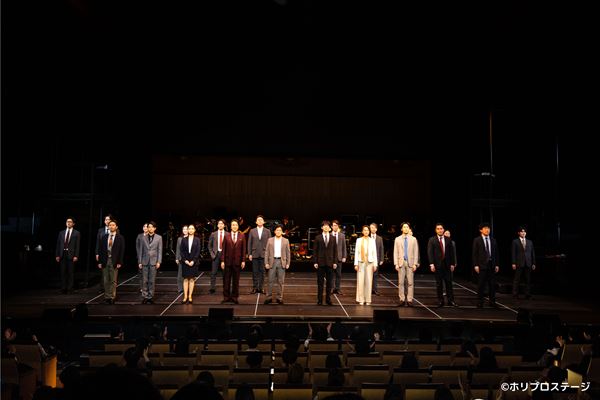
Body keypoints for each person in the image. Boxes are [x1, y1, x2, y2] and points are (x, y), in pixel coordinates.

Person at [427, 223, 458, 307]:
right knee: (439, 284)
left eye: (441, 228)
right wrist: (431, 264)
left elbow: (451, 253)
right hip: (438, 265)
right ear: (435, 230)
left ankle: (451, 301)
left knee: (449, 283)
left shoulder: (448, 239)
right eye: (438, 229)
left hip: (447, 265)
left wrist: (452, 264)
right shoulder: (432, 240)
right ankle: (440, 301)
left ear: (443, 230)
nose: (440, 230)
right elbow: (430, 253)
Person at [472, 222, 499, 308]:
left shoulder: (493, 240)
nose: (487, 230)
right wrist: (476, 265)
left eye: (488, 228)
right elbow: (475, 253)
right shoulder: (477, 240)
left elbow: (496, 253)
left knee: (492, 284)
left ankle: (492, 301)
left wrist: (497, 264)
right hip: (481, 265)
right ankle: (480, 302)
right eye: (485, 228)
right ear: (481, 230)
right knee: (481, 285)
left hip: (491, 264)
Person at [97, 219, 125, 304]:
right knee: (106, 280)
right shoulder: (104, 237)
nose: (111, 226)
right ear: (108, 227)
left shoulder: (120, 237)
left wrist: (120, 262)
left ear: (116, 227)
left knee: (113, 280)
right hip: (105, 260)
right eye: (110, 225)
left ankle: (112, 297)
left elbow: (121, 251)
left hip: (114, 260)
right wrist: (100, 262)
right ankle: (107, 296)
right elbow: (101, 250)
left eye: (113, 225)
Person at [393, 222, 420, 307]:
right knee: (401, 282)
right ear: (401, 229)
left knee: (410, 282)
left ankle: (409, 299)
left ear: (409, 228)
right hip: (401, 262)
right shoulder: (397, 239)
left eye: (407, 227)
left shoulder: (413, 239)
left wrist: (415, 264)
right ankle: (401, 299)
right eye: (404, 227)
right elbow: (395, 252)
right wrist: (396, 263)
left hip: (410, 263)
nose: (406, 228)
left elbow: (416, 252)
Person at [220, 219, 246, 304]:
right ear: (231, 226)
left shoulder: (242, 236)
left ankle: (235, 297)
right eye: (233, 225)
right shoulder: (226, 236)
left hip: (237, 262)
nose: (234, 226)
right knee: (226, 280)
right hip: (227, 261)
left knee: (236, 281)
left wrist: (243, 261)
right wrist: (222, 261)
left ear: (238, 226)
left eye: (236, 225)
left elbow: (243, 249)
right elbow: (223, 249)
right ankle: (226, 297)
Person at [312, 220, 338, 306]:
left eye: (328, 226)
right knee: (320, 283)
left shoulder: (333, 238)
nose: (326, 227)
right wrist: (315, 261)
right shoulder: (318, 238)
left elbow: (335, 251)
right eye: (324, 226)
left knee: (329, 283)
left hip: (330, 263)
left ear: (330, 228)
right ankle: (319, 300)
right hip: (320, 263)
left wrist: (335, 262)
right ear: (322, 227)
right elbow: (315, 251)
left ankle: (328, 299)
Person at [264, 225, 291, 304]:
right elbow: (266, 252)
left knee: (280, 281)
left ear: (282, 232)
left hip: (281, 262)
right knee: (270, 281)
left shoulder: (286, 241)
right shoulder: (270, 240)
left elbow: (288, 253)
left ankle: (279, 298)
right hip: (272, 262)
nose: (278, 231)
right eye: (277, 230)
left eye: (280, 230)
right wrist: (266, 263)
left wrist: (288, 263)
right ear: (274, 231)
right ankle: (268, 297)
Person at [138, 221, 163, 304]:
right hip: (144, 261)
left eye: (152, 227)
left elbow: (160, 250)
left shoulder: (159, 237)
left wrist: (159, 261)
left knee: (152, 280)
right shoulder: (143, 237)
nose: (150, 228)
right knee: (144, 280)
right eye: (149, 227)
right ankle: (145, 296)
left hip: (153, 261)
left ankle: (150, 296)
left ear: (155, 228)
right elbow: (141, 250)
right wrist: (140, 261)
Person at [55, 217, 80, 294]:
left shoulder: (76, 233)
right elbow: (58, 244)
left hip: (71, 254)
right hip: (62, 254)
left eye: (70, 222)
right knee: (63, 272)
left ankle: (70, 288)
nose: (68, 223)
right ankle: (63, 288)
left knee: (70, 272)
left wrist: (76, 255)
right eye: (67, 221)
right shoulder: (61, 233)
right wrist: (57, 255)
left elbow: (77, 245)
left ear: (73, 224)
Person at [354, 225, 378, 305]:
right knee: (360, 281)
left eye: (367, 230)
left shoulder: (372, 240)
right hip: (361, 262)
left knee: (368, 281)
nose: (366, 231)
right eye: (364, 230)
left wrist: (375, 264)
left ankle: (368, 299)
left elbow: (374, 253)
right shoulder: (359, 240)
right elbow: (356, 252)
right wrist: (356, 264)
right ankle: (361, 299)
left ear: (369, 231)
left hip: (370, 263)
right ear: (362, 231)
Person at [247, 215, 271, 294]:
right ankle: (255, 287)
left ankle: (261, 287)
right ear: (256, 222)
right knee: (255, 272)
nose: (260, 221)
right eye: (258, 220)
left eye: (261, 220)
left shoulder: (267, 231)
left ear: (264, 222)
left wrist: (269, 255)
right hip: (254, 254)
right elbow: (249, 243)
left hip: (264, 254)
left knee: (263, 272)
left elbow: (270, 244)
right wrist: (249, 254)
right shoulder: (252, 231)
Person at [511, 226, 536, 299]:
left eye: (524, 231)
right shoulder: (515, 241)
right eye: (522, 232)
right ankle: (515, 294)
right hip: (519, 263)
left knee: (528, 280)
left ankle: (527, 294)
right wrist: (513, 263)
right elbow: (513, 253)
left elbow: (532, 253)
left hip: (528, 263)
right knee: (517, 279)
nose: (523, 233)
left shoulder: (530, 242)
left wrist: (534, 263)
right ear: (518, 233)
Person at [180, 224, 201, 304]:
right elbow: (181, 251)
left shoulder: (197, 240)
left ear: (194, 230)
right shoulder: (184, 239)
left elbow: (198, 251)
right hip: (185, 262)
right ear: (188, 230)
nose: (191, 230)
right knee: (185, 279)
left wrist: (193, 261)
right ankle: (185, 296)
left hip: (193, 262)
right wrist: (185, 260)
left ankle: (190, 296)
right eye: (189, 228)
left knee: (192, 279)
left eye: (192, 228)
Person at [208, 219, 228, 294]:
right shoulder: (213, 234)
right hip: (216, 255)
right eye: (219, 223)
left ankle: (226, 287)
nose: (220, 225)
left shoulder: (227, 234)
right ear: (217, 225)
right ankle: (212, 288)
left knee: (225, 272)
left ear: (224, 225)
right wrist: (212, 254)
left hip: (225, 255)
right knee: (213, 272)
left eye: (222, 223)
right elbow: (209, 246)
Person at [331, 220, 347, 295]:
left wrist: (344, 256)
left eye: (336, 225)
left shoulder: (342, 235)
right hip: (331, 258)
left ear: (338, 226)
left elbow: (344, 246)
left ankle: (337, 288)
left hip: (339, 258)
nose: (335, 227)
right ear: (331, 227)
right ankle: (331, 288)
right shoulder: (329, 235)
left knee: (338, 274)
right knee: (331, 275)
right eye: (334, 225)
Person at [369, 223, 384, 296]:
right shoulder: (367, 237)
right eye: (371, 227)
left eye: (373, 227)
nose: (372, 229)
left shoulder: (379, 238)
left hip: (376, 259)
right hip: (368, 259)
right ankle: (368, 289)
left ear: (376, 229)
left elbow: (381, 249)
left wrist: (381, 259)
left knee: (375, 275)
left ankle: (374, 290)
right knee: (368, 275)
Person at [175, 224, 189, 294]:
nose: (185, 230)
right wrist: (177, 258)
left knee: (188, 275)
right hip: (181, 259)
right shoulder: (180, 239)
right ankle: (180, 289)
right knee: (180, 275)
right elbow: (178, 249)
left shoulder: (191, 238)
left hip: (189, 259)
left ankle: (187, 288)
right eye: (184, 229)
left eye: (186, 229)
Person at [136, 223, 149, 293]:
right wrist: (139, 258)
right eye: (144, 226)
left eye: (146, 227)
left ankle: (147, 287)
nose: (145, 228)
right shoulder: (139, 236)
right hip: (141, 258)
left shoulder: (150, 236)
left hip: (149, 258)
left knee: (148, 274)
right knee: (141, 273)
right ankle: (142, 287)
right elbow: (137, 247)